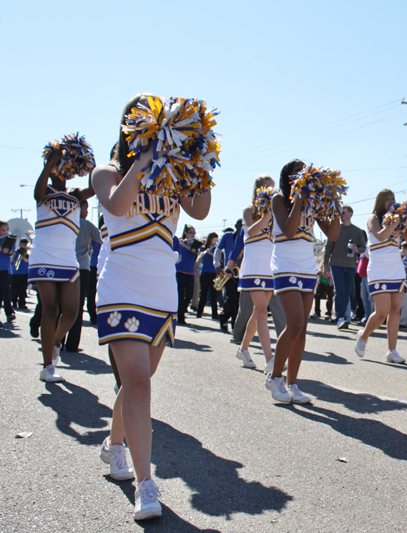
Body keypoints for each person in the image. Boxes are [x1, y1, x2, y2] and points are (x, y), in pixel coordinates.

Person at [93, 94, 211, 519]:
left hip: (161, 291)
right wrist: (142, 161)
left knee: (135, 381)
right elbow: (118, 205)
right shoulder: (107, 172)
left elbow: (200, 211)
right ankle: (147, 484)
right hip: (122, 286)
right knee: (139, 381)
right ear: (132, 130)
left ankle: (115, 444)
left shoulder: (173, 177)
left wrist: (199, 160)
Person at [266, 160, 339, 403]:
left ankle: (293, 383)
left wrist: (334, 205)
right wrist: (299, 197)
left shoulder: (313, 202)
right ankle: (275, 377)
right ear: (288, 176)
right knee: (295, 323)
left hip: (307, 266)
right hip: (285, 264)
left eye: (303, 170)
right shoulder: (278, 198)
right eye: (296, 171)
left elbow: (333, 234)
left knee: (303, 328)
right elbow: (287, 230)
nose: (301, 174)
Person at [29, 147, 95, 382]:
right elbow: (37, 193)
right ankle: (48, 367)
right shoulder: (44, 191)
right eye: (58, 167)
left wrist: (92, 168)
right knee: (50, 309)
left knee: (71, 311)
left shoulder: (76, 195)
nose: (62, 172)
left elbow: (94, 189)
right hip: (44, 256)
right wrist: (49, 163)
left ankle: (55, 341)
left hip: (68, 259)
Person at [354, 189, 407, 363]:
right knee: (381, 312)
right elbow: (380, 236)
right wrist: (395, 222)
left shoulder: (396, 221)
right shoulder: (373, 218)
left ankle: (392, 351)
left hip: (396, 267)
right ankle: (364, 336)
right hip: (379, 269)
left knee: (395, 310)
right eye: (388, 199)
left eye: (393, 199)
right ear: (381, 201)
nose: (392, 202)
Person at [234, 175, 278, 371]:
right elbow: (251, 232)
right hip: (253, 264)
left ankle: (243, 349)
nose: (271, 190)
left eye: (273, 187)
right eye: (267, 187)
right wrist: (267, 216)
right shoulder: (249, 210)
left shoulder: (275, 212)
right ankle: (270, 359)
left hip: (269, 265)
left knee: (258, 311)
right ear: (259, 189)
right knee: (261, 310)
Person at [65, 199, 102, 352]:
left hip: (65, 265)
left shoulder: (64, 223)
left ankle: (57, 339)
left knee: (63, 305)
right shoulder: (86, 224)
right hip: (82, 267)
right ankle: (72, 344)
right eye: (86, 209)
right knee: (78, 306)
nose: (87, 212)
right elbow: (103, 239)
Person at [323, 205, 365, 329]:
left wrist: (357, 250)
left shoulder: (357, 231)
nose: (341, 215)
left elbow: (363, 247)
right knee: (340, 291)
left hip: (351, 266)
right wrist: (325, 265)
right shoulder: (335, 229)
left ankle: (344, 317)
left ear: (351, 214)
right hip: (336, 265)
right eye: (340, 213)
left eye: (343, 212)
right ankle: (340, 317)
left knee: (347, 293)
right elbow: (328, 248)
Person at [215, 219, 243, 332]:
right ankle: (224, 318)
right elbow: (218, 250)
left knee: (239, 300)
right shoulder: (227, 236)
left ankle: (235, 324)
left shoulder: (248, 236)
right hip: (229, 272)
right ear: (236, 226)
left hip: (242, 273)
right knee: (231, 297)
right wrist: (217, 265)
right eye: (240, 225)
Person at [174, 225, 199, 325]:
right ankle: (180, 317)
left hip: (190, 272)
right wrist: (181, 244)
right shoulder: (179, 242)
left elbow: (195, 252)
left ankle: (181, 310)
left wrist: (185, 245)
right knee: (180, 295)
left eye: (194, 232)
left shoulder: (195, 244)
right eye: (191, 232)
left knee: (189, 294)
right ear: (186, 233)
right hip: (179, 271)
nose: (193, 234)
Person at [195, 232, 219, 319]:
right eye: (214, 239)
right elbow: (200, 261)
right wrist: (201, 255)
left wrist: (211, 254)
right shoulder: (203, 249)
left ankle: (215, 314)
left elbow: (218, 259)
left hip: (213, 273)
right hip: (205, 272)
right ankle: (199, 312)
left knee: (213, 295)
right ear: (210, 239)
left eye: (216, 239)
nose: (215, 241)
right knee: (203, 294)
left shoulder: (216, 249)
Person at [0, 223, 16, 324]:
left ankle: (9, 313)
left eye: (7, 229)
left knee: (3, 293)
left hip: (4, 270)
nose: (6, 231)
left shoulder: (9, 240)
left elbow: (10, 252)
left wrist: (2, 249)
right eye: (3, 230)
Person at [10, 238, 30, 310]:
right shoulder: (16, 251)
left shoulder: (28, 252)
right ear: (19, 244)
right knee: (15, 289)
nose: (23, 246)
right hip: (16, 273)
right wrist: (20, 254)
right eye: (22, 244)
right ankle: (14, 302)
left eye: (25, 245)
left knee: (23, 289)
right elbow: (15, 262)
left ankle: (22, 303)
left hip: (25, 273)